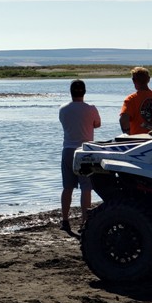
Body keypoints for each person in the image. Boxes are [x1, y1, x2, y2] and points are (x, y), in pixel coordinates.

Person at [58, 79, 101, 233]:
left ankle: (65, 220)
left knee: (67, 187)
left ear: (71, 92)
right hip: (85, 151)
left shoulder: (63, 109)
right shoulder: (90, 109)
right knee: (86, 187)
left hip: (68, 150)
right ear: (84, 92)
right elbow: (97, 124)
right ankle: (84, 221)